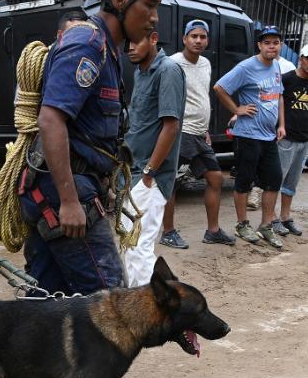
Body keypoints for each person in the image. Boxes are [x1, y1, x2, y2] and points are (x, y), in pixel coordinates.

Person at [11, 0, 165, 378]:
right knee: (107, 300)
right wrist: (74, 202)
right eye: (149, 6)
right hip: (64, 194)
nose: (154, 19)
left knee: (46, 296)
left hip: (58, 189)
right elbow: (52, 120)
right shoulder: (88, 45)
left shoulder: (109, 50)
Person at [160, 19, 233, 248]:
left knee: (216, 178)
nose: (198, 41)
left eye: (202, 37)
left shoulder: (206, 64)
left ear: (207, 40)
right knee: (170, 182)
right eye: (194, 36)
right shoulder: (172, 63)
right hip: (180, 133)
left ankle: (212, 231)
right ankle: (168, 232)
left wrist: (206, 131)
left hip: (200, 134)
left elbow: (201, 96)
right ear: (184, 39)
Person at [213, 25, 286, 248]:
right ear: (259, 45)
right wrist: (237, 110)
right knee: (244, 181)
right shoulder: (246, 67)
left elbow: (279, 96)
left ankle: (265, 225)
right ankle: (242, 224)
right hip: (247, 135)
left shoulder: (275, 67)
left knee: (274, 180)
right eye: (267, 42)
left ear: (279, 45)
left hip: (268, 136)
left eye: (275, 42)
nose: (271, 46)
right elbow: (219, 88)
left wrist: (282, 124)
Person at [121, 29, 184, 286]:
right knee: (129, 245)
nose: (130, 48)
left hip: (151, 177)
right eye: (127, 44)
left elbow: (171, 126)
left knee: (138, 247)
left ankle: (152, 314)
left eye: (136, 41)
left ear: (154, 38)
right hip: (134, 173)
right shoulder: (141, 72)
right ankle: (140, 306)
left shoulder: (167, 70)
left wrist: (149, 172)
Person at [272, 43, 308, 237]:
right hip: (285, 138)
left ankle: (286, 217)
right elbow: (274, 101)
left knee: (291, 183)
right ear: (300, 59)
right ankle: (271, 219)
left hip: (304, 139)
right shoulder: (286, 79)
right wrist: (280, 125)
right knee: (276, 180)